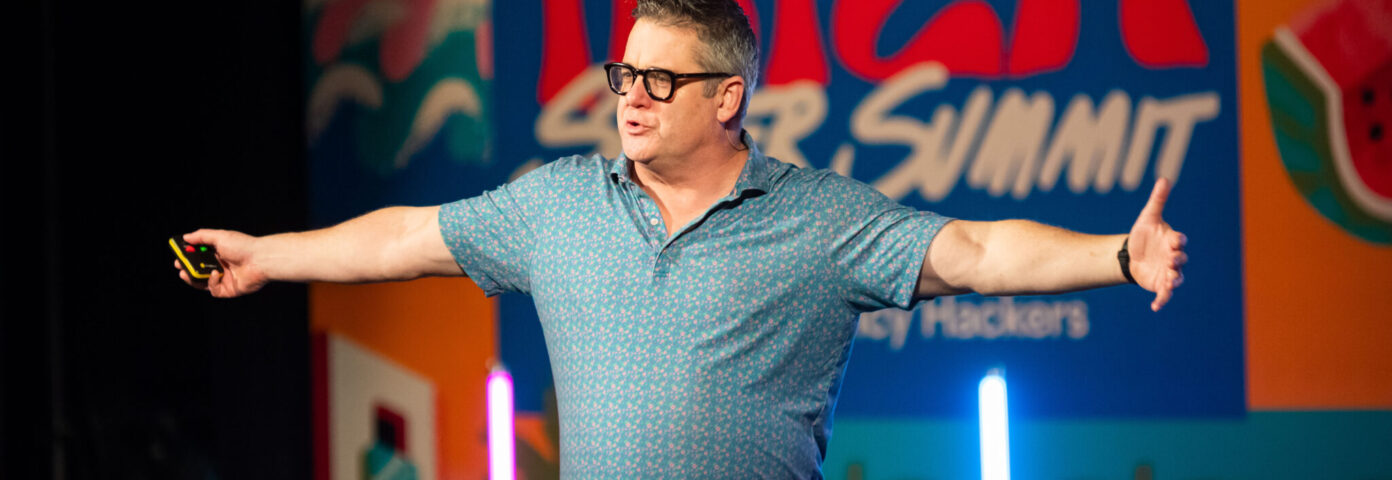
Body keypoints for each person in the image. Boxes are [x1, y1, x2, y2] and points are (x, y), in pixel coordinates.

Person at [178, 0, 1187, 477]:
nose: (631, 99)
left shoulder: (818, 219)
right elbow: (408, 236)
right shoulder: (559, 205)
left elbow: (972, 255)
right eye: (623, 76)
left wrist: (1115, 254)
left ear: (729, 97)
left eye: (659, 81)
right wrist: (270, 255)